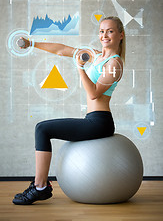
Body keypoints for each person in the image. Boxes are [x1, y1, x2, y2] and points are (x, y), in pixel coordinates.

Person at [12, 16, 125, 205]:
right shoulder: (97, 56)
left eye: (110, 31)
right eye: (101, 31)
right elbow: (63, 49)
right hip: (93, 118)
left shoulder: (115, 64)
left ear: (120, 35)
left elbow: (94, 93)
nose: (104, 35)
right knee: (42, 128)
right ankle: (40, 186)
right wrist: (32, 43)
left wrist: (79, 67)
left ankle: (40, 186)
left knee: (42, 129)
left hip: (100, 122)